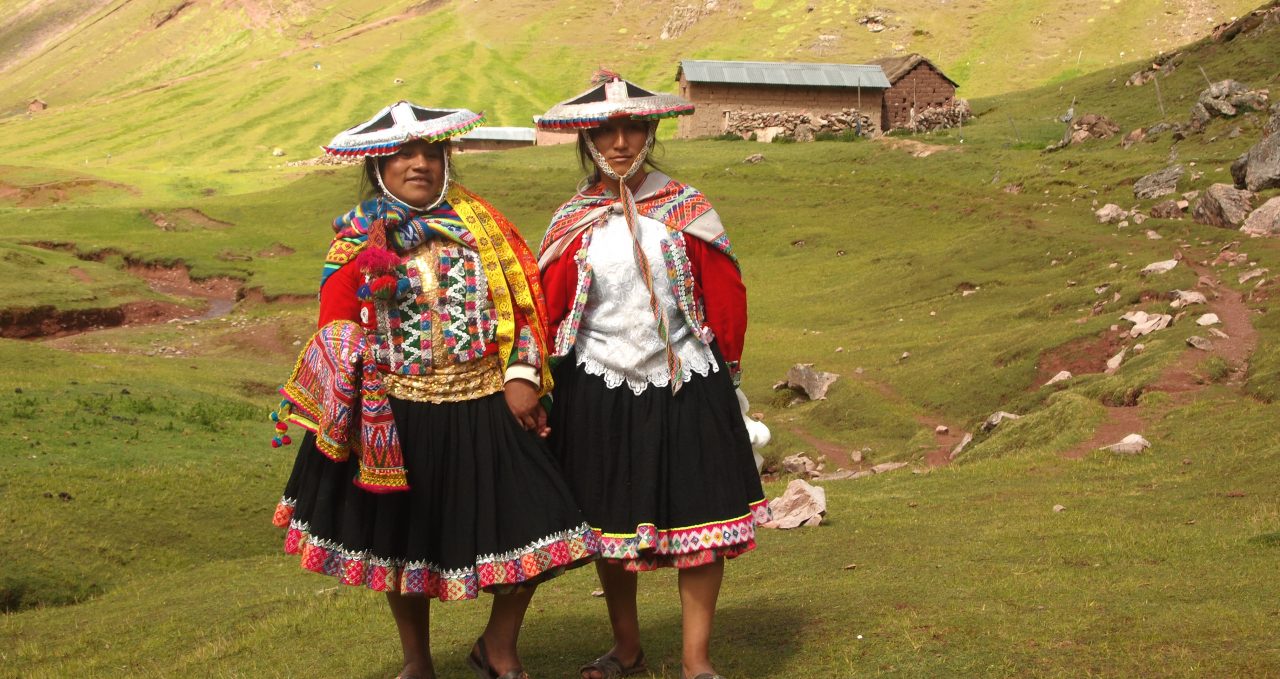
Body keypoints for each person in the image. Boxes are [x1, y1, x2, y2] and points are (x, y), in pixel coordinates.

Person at [270, 101, 598, 679]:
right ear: (378, 165)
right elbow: (334, 322)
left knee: (540, 521)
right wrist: (351, 352)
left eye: (431, 152)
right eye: (403, 153)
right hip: (397, 414)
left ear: (447, 158)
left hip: (487, 403)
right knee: (404, 544)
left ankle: (498, 645)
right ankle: (417, 662)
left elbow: (526, 306)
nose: (419, 163)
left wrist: (522, 377)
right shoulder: (357, 239)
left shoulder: (485, 229)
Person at [535, 74, 771, 679]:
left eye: (631, 128)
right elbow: (547, 306)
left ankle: (697, 660)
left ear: (650, 131)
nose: (619, 142)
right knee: (610, 524)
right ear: (586, 140)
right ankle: (627, 647)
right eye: (604, 131)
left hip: (686, 380)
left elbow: (725, 294)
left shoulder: (686, 209)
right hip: (598, 385)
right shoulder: (573, 221)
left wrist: (729, 375)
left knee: (702, 521)